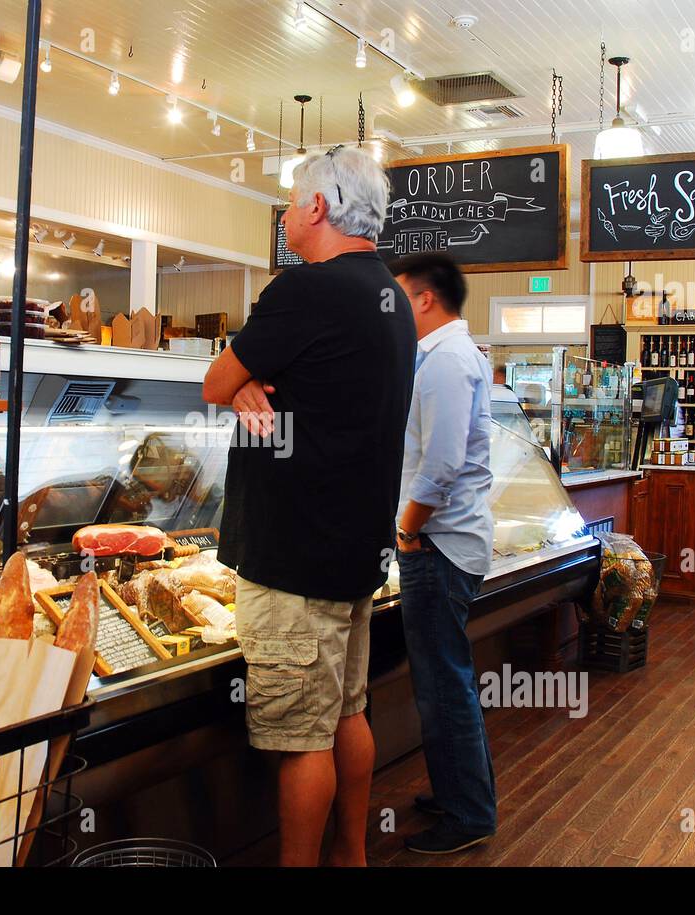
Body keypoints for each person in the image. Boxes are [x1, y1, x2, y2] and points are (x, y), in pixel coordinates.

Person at [201, 146, 415, 867]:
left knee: (301, 742)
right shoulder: (390, 300)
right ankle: (350, 856)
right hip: (355, 553)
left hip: (292, 558)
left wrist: (237, 385)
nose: (287, 214)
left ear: (319, 207)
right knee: (347, 712)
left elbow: (212, 380)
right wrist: (244, 387)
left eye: (292, 201)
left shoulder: (304, 292)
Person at [388, 252, 497, 854]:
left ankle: (468, 813)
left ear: (425, 298)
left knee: (443, 684)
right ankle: (460, 790)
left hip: (438, 544)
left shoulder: (447, 361)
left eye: (399, 297)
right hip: (441, 540)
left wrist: (407, 530)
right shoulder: (443, 356)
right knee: (444, 678)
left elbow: (442, 463)